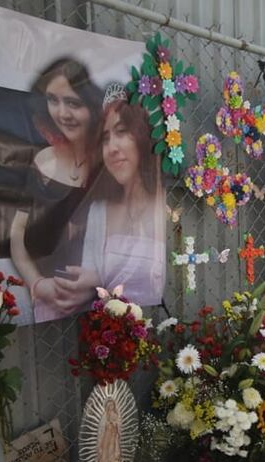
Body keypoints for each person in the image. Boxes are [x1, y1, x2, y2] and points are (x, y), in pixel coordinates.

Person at [53, 93, 167, 314]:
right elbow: (92, 279)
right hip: (115, 329)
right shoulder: (98, 212)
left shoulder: (165, 204)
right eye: (105, 138)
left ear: (142, 137)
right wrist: (87, 280)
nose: (112, 147)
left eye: (122, 132)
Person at [9, 58, 103, 321]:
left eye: (73, 103)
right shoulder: (42, 161)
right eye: (53, 100)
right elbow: (17, 232)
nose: (62, 113)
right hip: (46, 302)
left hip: (102, 304)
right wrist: (37, 283)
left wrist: (96, 282)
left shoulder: (110, 165)